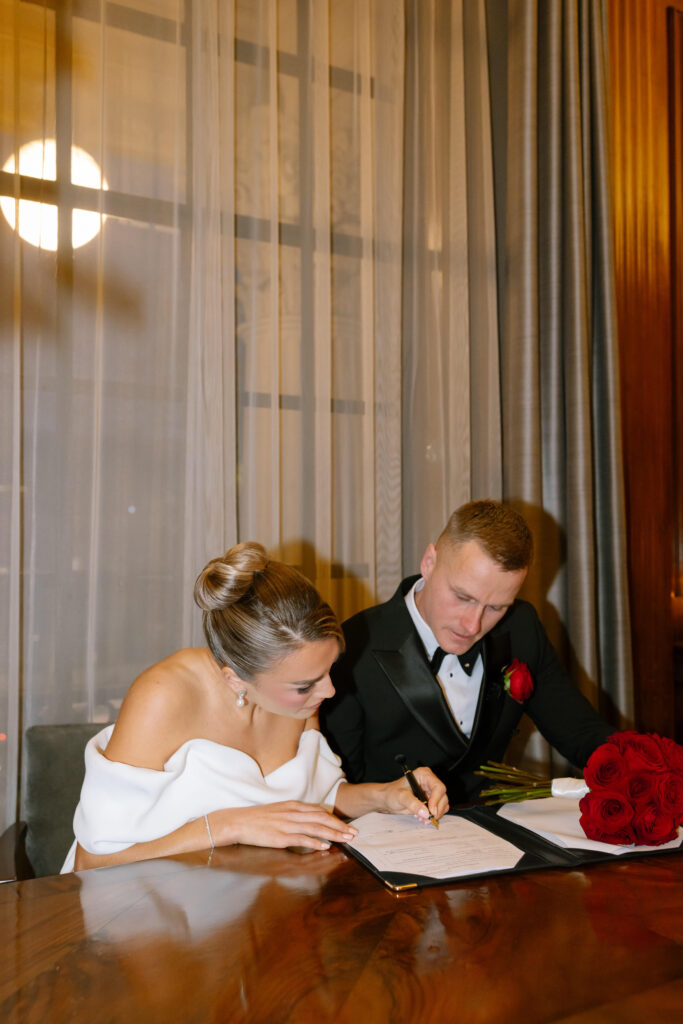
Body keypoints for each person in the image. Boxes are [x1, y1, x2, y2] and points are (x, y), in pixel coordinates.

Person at [62, 543, 448, 873]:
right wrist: (226, 826)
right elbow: (92, 862)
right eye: (305, 685)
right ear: (235, 679)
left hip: (255, 905)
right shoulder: (163, 696)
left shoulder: (297, 696)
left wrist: (385, 796)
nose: (329, 691)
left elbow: (316, 799)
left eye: (329, 669)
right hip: (140, 913)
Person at [320, 500, 614, 804]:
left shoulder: (521, 627)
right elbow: (334, 789)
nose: (472, 625)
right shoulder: (353, 645)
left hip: (490, 836)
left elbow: (580, 732)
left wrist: (646, 769)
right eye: (462, 597)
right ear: (429, 562)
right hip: (383, 838)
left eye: (496, 607)